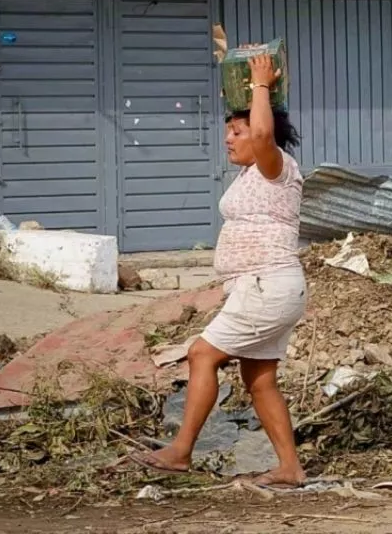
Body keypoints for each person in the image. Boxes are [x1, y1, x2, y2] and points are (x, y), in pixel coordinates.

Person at [131, 55, 308, 488]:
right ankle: (290, 468)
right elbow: (257, 132)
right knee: (259, 377)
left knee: (202, 354)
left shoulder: (276, 167)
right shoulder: (252, 174)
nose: (228, 139)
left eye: (236, 131)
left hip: (266, 284)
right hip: (264, 287)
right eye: (227, 130)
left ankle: (181, 451)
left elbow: (264, 132)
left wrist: (261, 85)